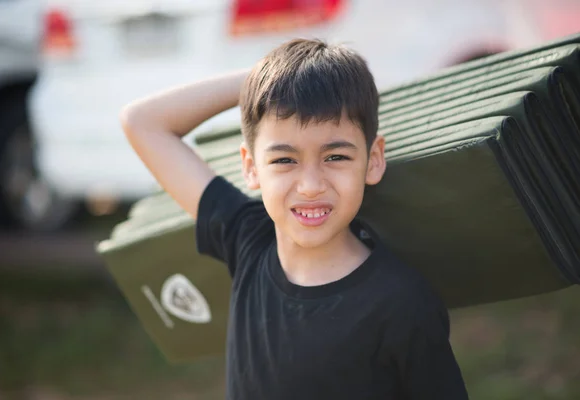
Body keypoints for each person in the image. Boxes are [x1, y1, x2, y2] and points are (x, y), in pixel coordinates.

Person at [120, 38, 468, 400]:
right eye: (285, 160)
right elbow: (142, 122)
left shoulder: (402, 303)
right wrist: (264, 80)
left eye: (335, 157)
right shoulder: (248, 240)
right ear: (252, 168)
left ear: (373, 159)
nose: (311, 185)